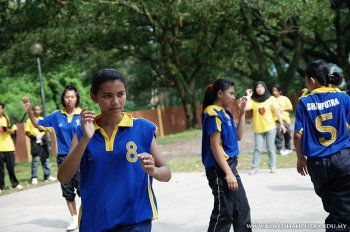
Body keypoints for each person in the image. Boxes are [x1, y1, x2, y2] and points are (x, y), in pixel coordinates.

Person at [57, 68, 171, 232]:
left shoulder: (142, 128)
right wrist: (85, 140)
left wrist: (153, 170)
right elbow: (63, 176)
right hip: (95, 221)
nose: (116, 101)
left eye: (120, 94)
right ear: (94, 97)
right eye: (107, 96)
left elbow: (166, 173)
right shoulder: (83, 131)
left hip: (135, 220)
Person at [294, 60, 350, 232]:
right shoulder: (342, 97)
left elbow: (298, 134)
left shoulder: (304, 102)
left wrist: (300, 158)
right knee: (343, 211)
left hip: (317, 165)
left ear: (312, 80)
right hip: (343, 159)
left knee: (334, 207)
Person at [22, 85, 82, 231]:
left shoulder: (83, 114)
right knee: (67, 190)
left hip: (81, 158)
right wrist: (29, 112)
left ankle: (86, 216)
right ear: (63, 98)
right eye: (67, 97)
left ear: (77, 98)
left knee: (84, 189)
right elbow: (37, 124)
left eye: (72, 96)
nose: (69, 99)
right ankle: (74, 219)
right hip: (63, 158)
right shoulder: (56, 116)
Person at [201, 79, 251, 232]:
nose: (233, 97)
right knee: (224, 212)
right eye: (231, 93)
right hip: (219, 169)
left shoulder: (226, 113)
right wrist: (229, 174)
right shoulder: (212, 114)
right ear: (220, 93)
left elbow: (239, 136)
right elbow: (215, 147)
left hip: (230, 167)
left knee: (242, 209)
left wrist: (242, 112)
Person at [245, 81, 286, 175]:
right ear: (255, 89)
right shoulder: (252, 100)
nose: (260, 89)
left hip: (270, 127)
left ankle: (272, 166)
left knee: (271, 148)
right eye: (258, 87)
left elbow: (277, 111)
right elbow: (246, 108)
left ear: (265, 88)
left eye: (262, 87)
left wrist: (282, 124)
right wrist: (248, 96)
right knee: (258, 148)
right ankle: (254, 168)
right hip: (258, 129)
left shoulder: (271, 98)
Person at [25, 105, 56, 184]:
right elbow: (27, 132)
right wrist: (34, 137)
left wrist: (44, 136)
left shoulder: (42, 119)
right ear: (33, 111)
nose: (38, 111)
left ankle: (47, 176)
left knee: (45, 159)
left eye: (39, 109)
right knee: (35, 160)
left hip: (43, 141)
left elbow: (46, 129)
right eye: (36, 110)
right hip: (35, 141)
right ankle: (34, 177)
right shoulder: (29, 120)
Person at [0, 102, 23, 194]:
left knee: (11, 167)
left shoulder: (8, 118)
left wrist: (4, 129)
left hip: (9, 147)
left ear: (3, 109)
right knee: (0, 169)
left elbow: (13, 131)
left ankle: (15, 183)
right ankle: (1, 186)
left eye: (0, 108)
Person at [271, 84, 293, 156]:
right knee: (278, 134)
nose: (274, 92)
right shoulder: (271, 99)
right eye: (273, 90)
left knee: (287, 134)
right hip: (276, 120)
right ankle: (279, 149)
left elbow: (290, 107)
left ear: (279, 91)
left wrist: (283, 109)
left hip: (285, 119)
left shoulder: (285, 98)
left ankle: (288, 148)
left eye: (275, 90)